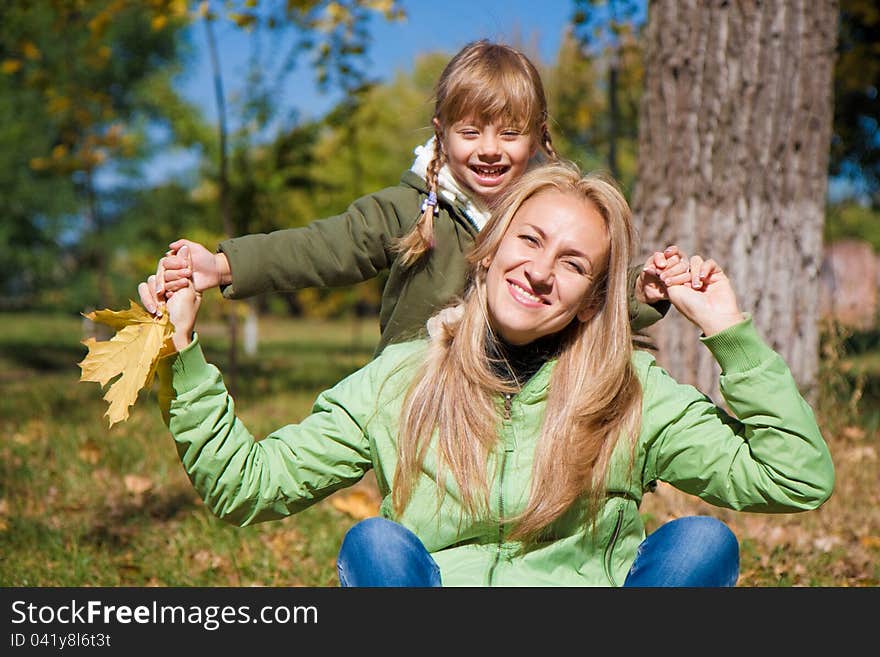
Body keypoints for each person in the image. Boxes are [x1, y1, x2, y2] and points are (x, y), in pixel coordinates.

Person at [146, 160, 834, 587]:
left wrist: (728, 332)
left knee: (701, 542)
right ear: (489, 247)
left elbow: (795, 476)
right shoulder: (404, 377)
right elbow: (246, 488)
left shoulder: (629, 391)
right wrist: (184, 353)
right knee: (377, 545)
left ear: (594, 295)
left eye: (572, 262)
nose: (540, 270)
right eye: (530, 239)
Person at [140, 39, 690, 354]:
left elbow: (582, 290)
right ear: (441, 133)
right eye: (470, 133)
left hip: (522, 401)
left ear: (539, 135)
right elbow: (323, 247)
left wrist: (642, 290)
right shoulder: (410, 208)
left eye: (510, 132)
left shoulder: (550, 215)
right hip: (417, 397)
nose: (489, 151)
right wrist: (224, 264)